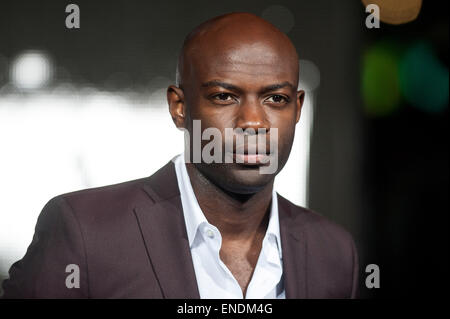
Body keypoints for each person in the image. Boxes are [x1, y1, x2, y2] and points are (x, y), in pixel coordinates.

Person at [2, 12, 359, 299]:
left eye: (275, 99)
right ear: (179, 107)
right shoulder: (84, 232)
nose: (252, 121)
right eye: (224, 96)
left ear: (297, 109)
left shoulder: (334, 252)